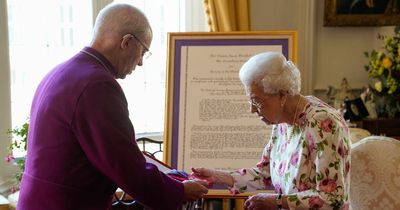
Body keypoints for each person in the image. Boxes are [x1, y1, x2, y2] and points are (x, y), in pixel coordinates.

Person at [18, 3, 207, 210]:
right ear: (126, 41)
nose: (141, 62)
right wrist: (179, 191)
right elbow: (124, 165)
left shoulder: (61, 71)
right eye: (143, 51)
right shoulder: (97, 84)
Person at [191, 52, 351, 210]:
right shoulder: (282, 121)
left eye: (257, 101)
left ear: (282, 95)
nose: (252, 109)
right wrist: (220, 177)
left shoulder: (323, 123)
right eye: (250, 101)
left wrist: (277, 202)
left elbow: (332, 198)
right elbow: (264, 173)